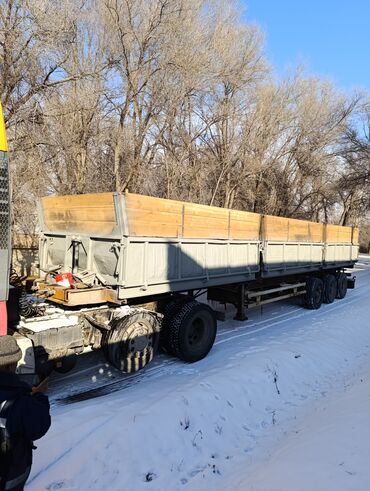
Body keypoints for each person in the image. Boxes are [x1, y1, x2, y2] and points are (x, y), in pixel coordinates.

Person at [0, 336, 51, 491]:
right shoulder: (20, 401)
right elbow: (39, 427)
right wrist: (39, 396)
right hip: (7, 474)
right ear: (10, 365)